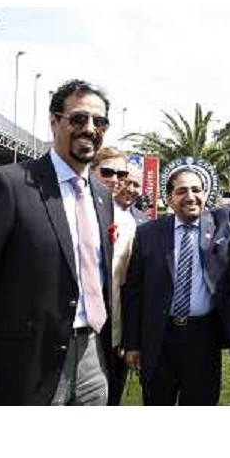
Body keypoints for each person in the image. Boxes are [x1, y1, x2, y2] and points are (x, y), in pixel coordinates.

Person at [0, 79, 115, 406]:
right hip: (28, 364)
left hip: (93, 358)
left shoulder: (102, 198)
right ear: (54, 121)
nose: (90, 128)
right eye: (79, 119)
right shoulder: (11, 185)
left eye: (100, 122)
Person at [123, 166, 230, 405]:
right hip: (159, 339)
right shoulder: (148, 234)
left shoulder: (225, 221)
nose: (190, 196)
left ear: (205, 194)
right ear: (170, 198)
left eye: (196, 189)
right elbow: (133, 292)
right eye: (182, 190)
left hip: (204, 339)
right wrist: (132, 344)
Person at [91, 148, 148, 405]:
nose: (125, 185)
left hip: (121, 322)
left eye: (125, 177)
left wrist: (131, 336)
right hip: (85, 324)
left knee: (113, 390)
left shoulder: (141, 222)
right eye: (109, 173)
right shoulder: (86, 212)